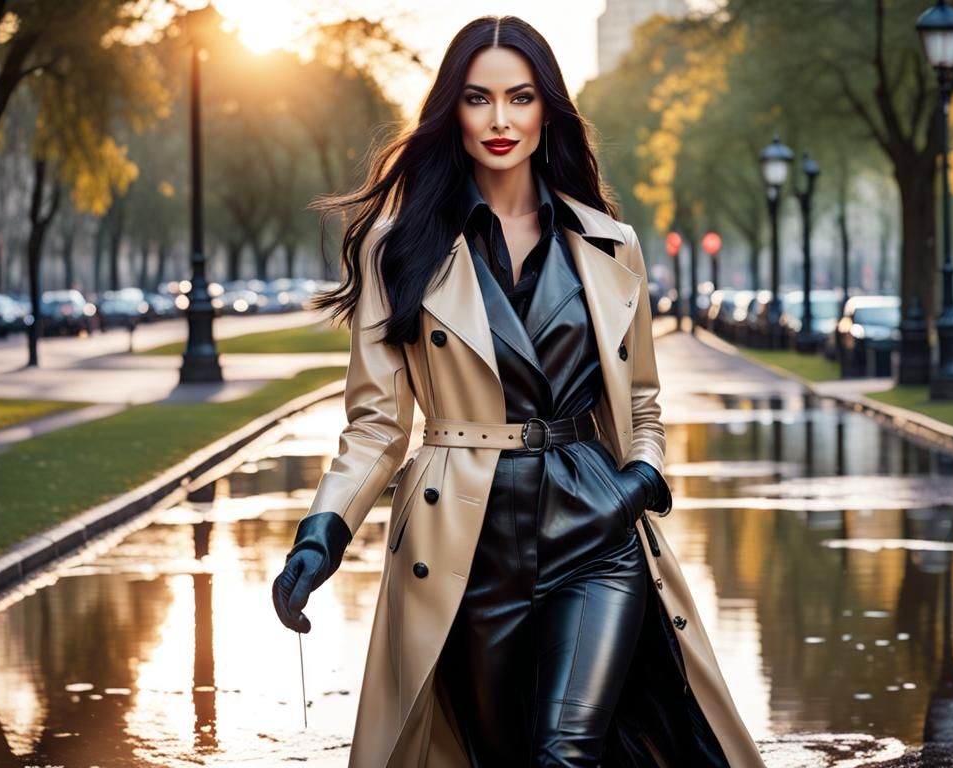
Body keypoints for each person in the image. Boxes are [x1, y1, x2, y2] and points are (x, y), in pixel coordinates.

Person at [270, 15, 765, 768]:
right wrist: (322, 533)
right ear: (453, 111)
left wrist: (638, 483)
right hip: (465, 542)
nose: (500, 121)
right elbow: (375, 426)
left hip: (596, 530)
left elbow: (640, 405)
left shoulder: (609, 244)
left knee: (567, 754)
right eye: (478, 99)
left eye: (520, 98)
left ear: (546, 109)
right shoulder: (398, 245)